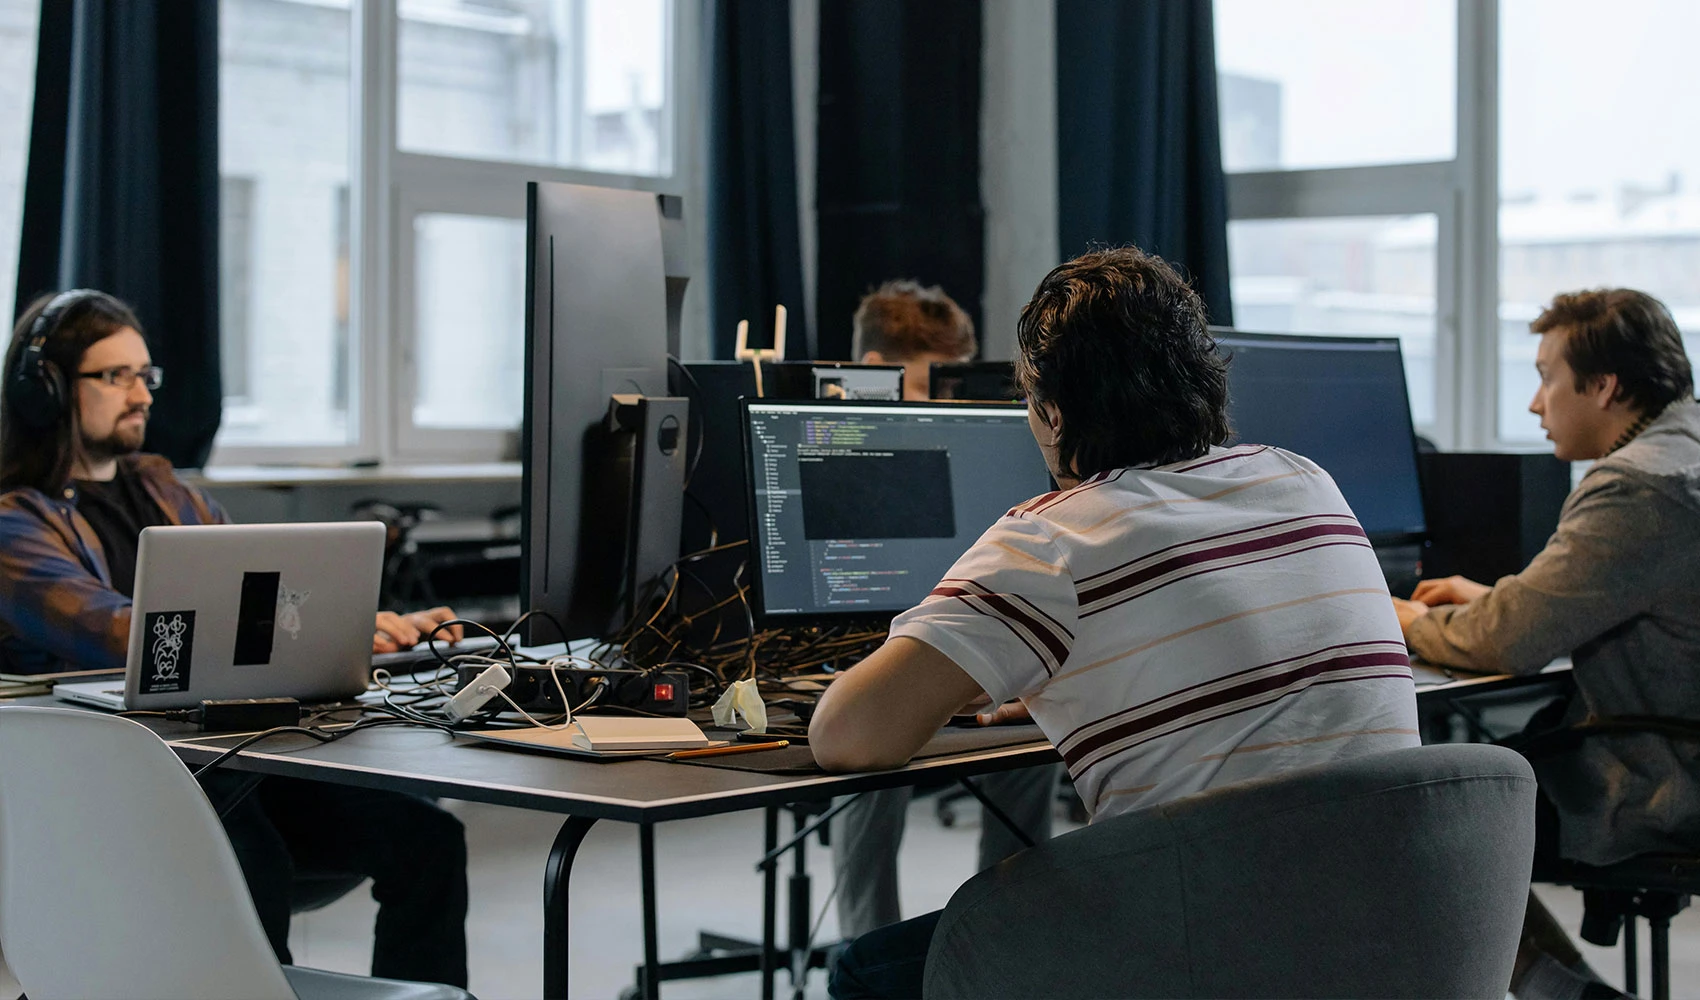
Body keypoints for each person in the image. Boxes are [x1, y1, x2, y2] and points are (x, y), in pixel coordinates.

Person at [814, 248, 1422, 999]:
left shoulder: (1052, 540)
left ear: (1052, 410)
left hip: (1208, 948)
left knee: (867, 972)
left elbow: (846, 734)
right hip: (1387, 930)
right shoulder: (1306, 479)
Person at [0, 289, 471, 987]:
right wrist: (278, 624)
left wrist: (359, 630)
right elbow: (123, 636)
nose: (142, 394)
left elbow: (263, 604)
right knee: (247, 852)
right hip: (117, 782)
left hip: (229, 760)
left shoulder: (166, 489)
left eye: (146, 375)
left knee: (427, 838)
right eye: (116, 376)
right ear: (46, 390)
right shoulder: (14, 523)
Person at [1394, 288, 1700, 1000]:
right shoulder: (1683, 454)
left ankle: (1564, 994)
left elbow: (1506, 642)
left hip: (1668, 779)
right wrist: (1496, 597)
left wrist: (1398, 616)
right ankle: (1569, 988)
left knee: (1428, 812)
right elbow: (1611, 595)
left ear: (1604, 386)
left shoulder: (1636, 487)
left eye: (1545, 377)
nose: (1536, 404)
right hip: (1682, 740)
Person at [831, 279, 1062, 944]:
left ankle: (1007, 942)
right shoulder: (834, 438)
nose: (938, 405)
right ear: (874, 372)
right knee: (872, 760)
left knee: (1031, 741)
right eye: (925, 385)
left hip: (964, 630)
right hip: (862, 638)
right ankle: (864, 949)